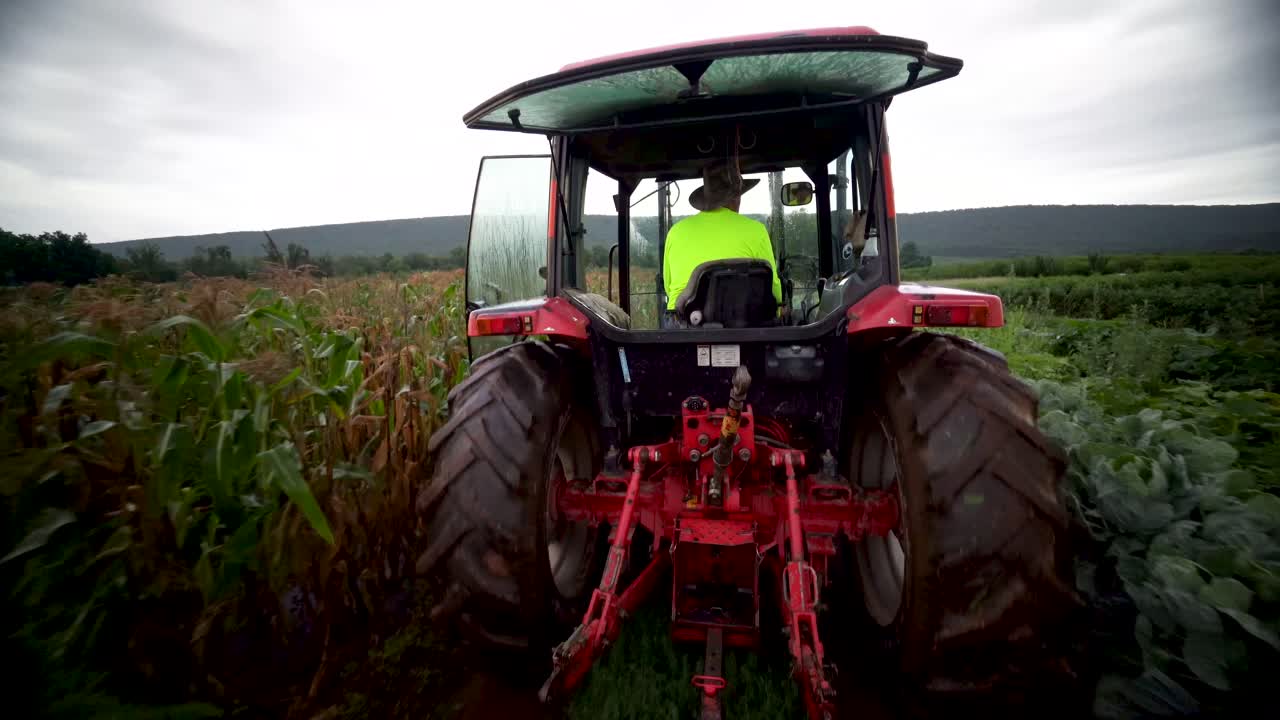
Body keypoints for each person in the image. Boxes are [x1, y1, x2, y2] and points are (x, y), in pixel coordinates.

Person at [662, 160, 782, 319]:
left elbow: (668, 287)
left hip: (684, 323)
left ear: (706, 199)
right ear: (735, 198)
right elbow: (772, 288)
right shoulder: (756, 230)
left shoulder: (675, 232)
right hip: (746, 324)